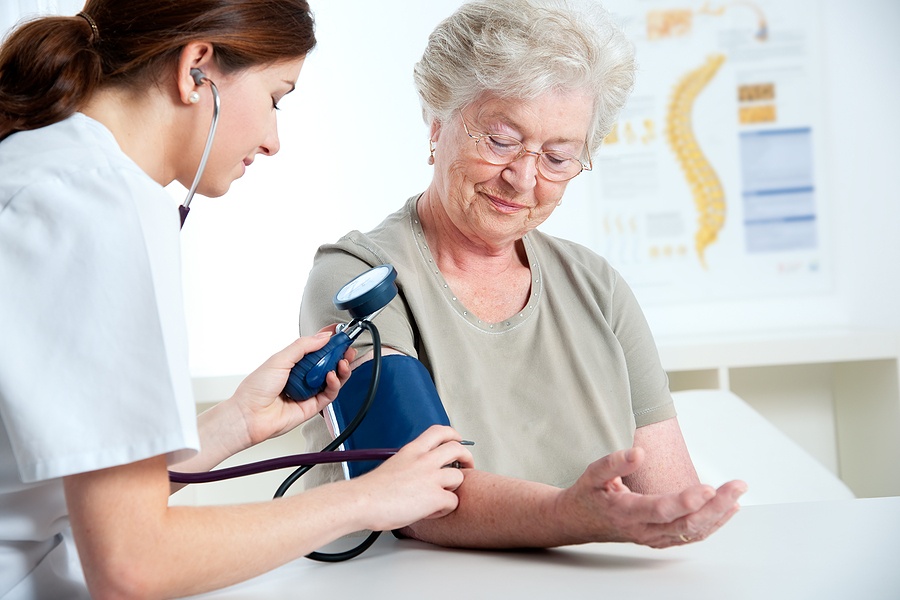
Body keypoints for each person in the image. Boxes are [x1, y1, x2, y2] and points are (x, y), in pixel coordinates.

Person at [0, 1, 472, 598]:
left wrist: (234, 424)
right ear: (196, 67)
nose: (274, 140)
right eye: (278, 97)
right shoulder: (96, 207)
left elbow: (50, 494)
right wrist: (366, 498)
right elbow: (132, 564)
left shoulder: (49, 170)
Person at [299, 0, 747, 550]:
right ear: (438, 122)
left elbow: (668, 496)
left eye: (558, 157)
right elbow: (414, 497)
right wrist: (572, 514)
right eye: (502, 140)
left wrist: (683, 517)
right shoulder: (359, 279)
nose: (523, 178)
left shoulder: (597, 288)